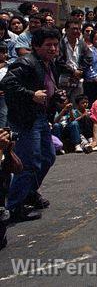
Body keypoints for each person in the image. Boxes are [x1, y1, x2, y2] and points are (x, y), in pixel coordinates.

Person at [0, 27, 65, 222]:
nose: (53, 49)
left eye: (55, 44)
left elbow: (47, 88)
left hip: (41, 117)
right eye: (48, 45)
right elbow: (7, 85)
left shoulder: (49, 64)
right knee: (28, 163)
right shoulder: (25, 63)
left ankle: (28, 191)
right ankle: (14, 206)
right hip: (26, 119)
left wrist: (56, 98)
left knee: (48, 157)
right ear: (36, 46)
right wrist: (31, 95)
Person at [56, 20, 92, 103]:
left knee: (77, 104)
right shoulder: (60, 43)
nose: (77, 31)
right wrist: (73, 71)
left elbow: (89, 58)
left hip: (78, 80)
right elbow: (58, 61)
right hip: (62, 79)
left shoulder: (82, 44)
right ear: (66, 29)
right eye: (74, 29)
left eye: (79, 29)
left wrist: (80, 70)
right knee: (62, 104)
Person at [82, 31, 97, 105]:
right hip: (90, 82)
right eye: (96, 39)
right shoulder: (89, 50)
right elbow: (88, 67)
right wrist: (95, 77)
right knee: (90, 102)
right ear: (92, 40)